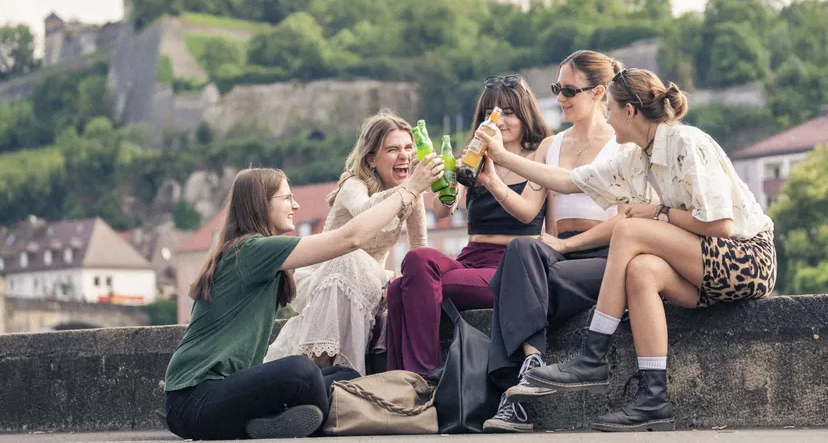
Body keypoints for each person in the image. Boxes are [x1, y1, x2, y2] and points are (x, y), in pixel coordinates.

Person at [479, 68, 776, 432]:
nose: (606, 116)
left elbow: (721, 226)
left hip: (746, 259)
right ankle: (654, 398)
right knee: (641, 271)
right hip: (704, 268)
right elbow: (569, 181)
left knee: (631, 229)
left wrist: (659, 212)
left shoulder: (687, 142)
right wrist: (500, 157)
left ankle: (593, 354)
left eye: (610, 109)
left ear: (630, 111)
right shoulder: (637, 157)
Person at [163, 155, 443, 439]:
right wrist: (410, 189)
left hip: (222, 395)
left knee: (345, 375)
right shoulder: (250, 251)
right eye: (287, 198)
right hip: (193, 400)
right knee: (301, 371)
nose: (295, 206)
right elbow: (350, 239)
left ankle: (275, 421)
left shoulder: (259, 254)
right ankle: (285, 420)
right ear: (262, 204)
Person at [482, 51, 627, 433]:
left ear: (598, 92)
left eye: (567, 90)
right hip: (556, 256)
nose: (560, 97)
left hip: (607, 256)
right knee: (519, 248)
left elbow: (628, 221)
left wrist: (565, 247)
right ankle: (532, 367)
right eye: (556, 88)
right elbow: (528, 212)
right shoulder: (552, 146)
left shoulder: (622, 143)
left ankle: (514, 397)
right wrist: (494, 181)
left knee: (514, 286)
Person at [385, 75, 551, 375]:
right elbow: (443, 211)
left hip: (512, 265)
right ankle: (403, 380)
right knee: (414, 264)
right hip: (470, 257)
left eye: (508, 112)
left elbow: (527, 214)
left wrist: (493, 177)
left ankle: (422, 376)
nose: (498, 120)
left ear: (525, 115)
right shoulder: (474, 155)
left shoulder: (539, 154)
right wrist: (446, 183)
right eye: (490, 113)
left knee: (405, 289)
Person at [265, 111, 431, 374]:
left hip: (371, 280)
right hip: (328, 273)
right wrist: (409, 188)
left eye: (409, 147)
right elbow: (364, 214)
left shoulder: (412, 190)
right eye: (393, 149)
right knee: (349, 257)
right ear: (372, 159)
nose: (405, 156)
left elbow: (420, 246)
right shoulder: (353, 184)